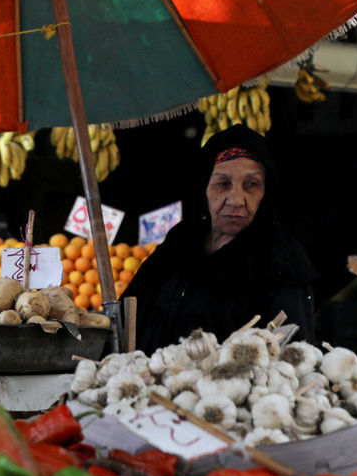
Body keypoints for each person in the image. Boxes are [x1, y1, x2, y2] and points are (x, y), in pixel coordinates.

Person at [121, 124, 318, 354]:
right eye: (223, 184)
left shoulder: (281, 261)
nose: (236, 200)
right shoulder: (180, 243)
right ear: (203, 186)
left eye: (251, 185)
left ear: (266, 191)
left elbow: (293, 355)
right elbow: (129, 311)